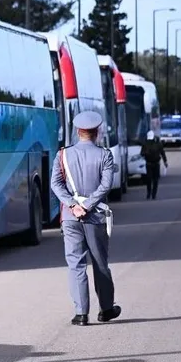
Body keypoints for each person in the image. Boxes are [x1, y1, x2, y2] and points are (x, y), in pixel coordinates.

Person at [49, 111, 120, 326]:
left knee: (75, 264)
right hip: (95, 217)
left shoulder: (63, 155)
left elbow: (56, 184)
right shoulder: (105, 155)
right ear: (97, 132)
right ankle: (106, 309)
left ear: (78, 131)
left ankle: (81, 313)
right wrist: (87, 205)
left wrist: (72, 205)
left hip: (70, 218)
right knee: (100, 263)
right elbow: (105, 186)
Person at [142, 130, 168, 200]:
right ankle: (148, 192)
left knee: (156, 180)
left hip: (156, 164)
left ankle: (154, 194)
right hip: (149, 164)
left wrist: (165, 161)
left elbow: (162, 153)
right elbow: (142, 153)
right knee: (149, 179)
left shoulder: (158, 144)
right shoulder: (145, 143)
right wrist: (146, 153)